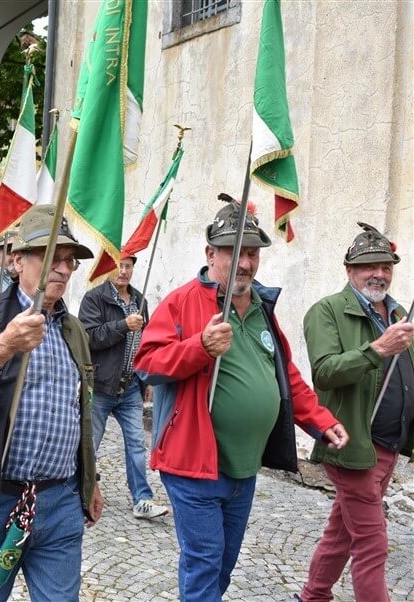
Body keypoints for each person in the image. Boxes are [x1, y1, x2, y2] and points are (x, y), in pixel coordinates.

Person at [133, 195, 348, 601]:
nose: (245, 264)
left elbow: (285, 376)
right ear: (210, 253)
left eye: (251, 254)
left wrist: (321, 421)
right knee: (205, 560)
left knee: (224, 564)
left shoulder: (263, 307)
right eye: (233, 253)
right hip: (192, 464)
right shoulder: (182, 302)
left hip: (244, 468)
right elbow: (147, 364)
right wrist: (199, 347)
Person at [0, 204, 102, 601]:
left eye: (69, 261)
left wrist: (89, 480)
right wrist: (6, 345)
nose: (63, 270)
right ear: (16, 260)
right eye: (51, 257)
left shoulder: (74, 329)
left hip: (59, 499)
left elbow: (80, 413)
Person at [298, 223, 413, 602]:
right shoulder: (326, 311)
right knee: (373, 542)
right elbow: (326, 372)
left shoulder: (397, 312)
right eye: (369, 266)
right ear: (349, 270)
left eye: (386, 266)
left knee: (342, 531)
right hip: (351, 445)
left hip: (388, 445)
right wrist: (377, 349)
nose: (378, 273)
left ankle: (313, 596)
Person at [78, 255, 168, 520]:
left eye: (128, 266)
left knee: (137, 444)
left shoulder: (140, 301)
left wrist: (146, 379)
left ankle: (142, 499)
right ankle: (82, 494)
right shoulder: (95, 298)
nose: (123, 271)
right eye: (118, 265)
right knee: (89, 444)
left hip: (130, 387)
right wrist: (122, 326)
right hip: (101, 386)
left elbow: (146, 343)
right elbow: (89, 337)